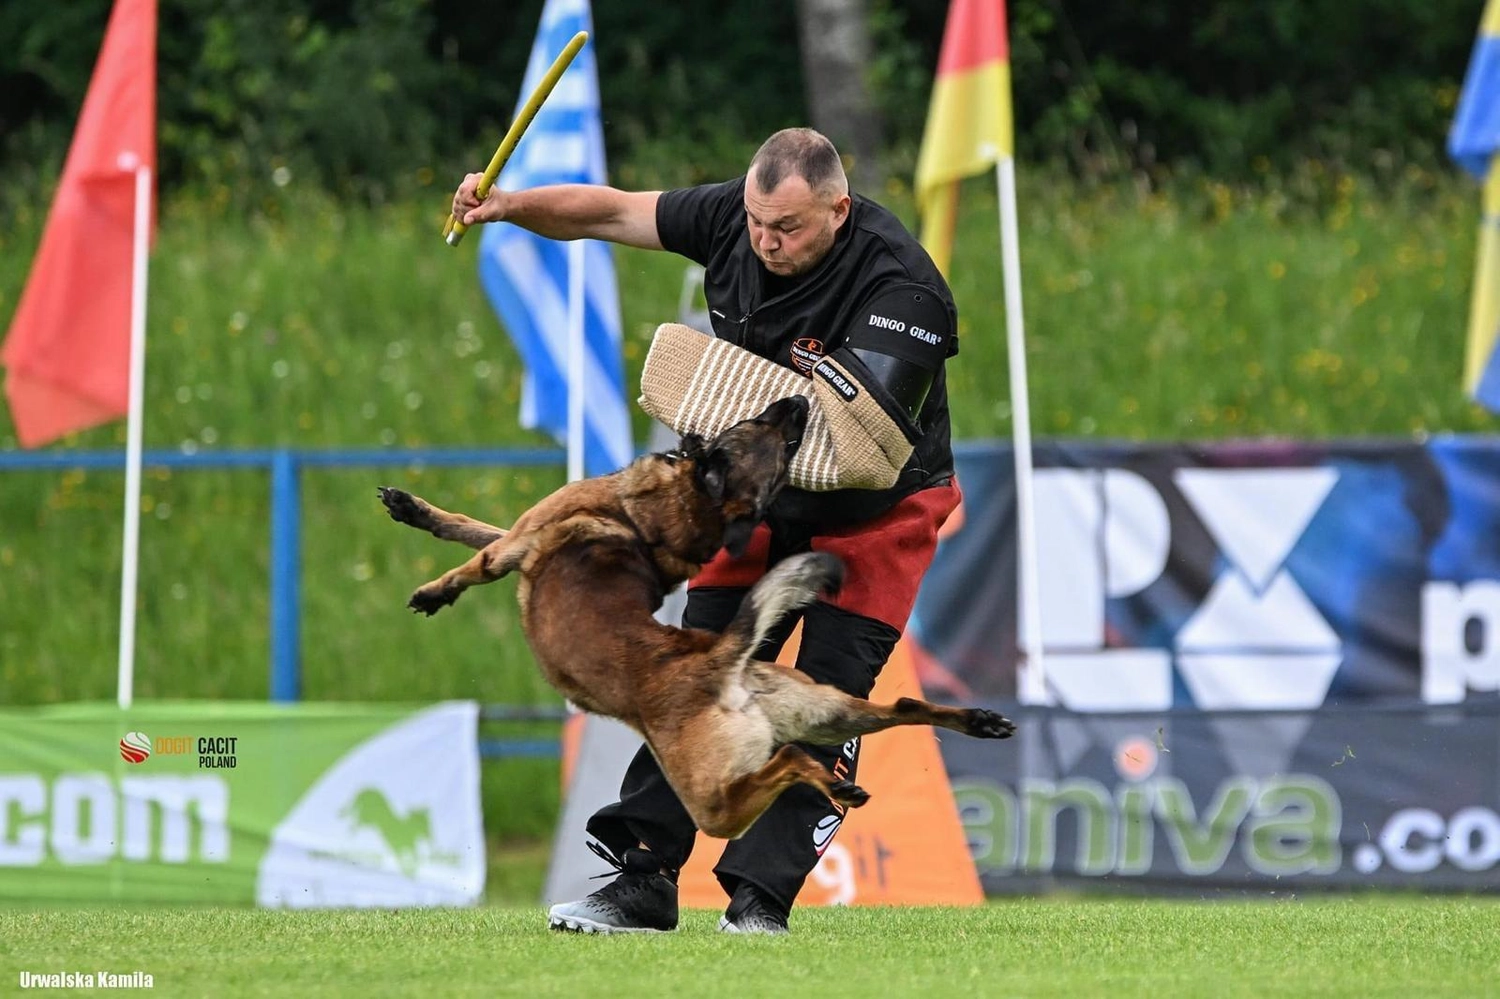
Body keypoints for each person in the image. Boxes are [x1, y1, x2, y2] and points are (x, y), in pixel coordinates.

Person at [452, 127, 962, 934]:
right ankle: (642, 880)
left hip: (875, 510)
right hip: (759, 501)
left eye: (787, 228)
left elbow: (856, 452)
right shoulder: (735, 215)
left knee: (823, 701)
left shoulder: (906, 292)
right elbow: (611, 213)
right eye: (758, 222)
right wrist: (510, 206)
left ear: (839, 208)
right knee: (685, 678)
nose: (764, 241)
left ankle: (760, 902)